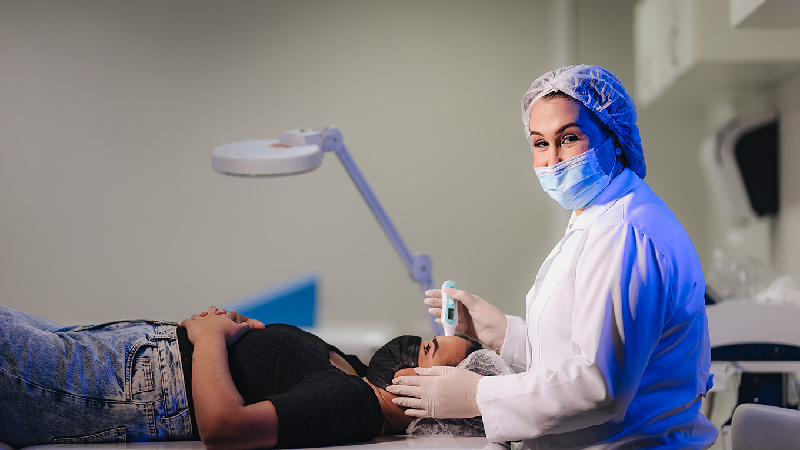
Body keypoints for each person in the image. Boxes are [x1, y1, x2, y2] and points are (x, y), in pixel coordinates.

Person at [389, 65, 719, 449]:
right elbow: (578, 351)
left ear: (614, 138)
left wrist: (479, 395)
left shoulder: (623, 233)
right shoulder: (597, 217)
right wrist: (501, 333)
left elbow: (599, 386)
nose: (554, 160)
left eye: (569, 138)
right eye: (540, 143)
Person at [0, 304, 481, 449]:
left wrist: (210, 339)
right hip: (127, 353)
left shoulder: (353, 404)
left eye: (428, 352)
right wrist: (239, 329)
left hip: (125, 383)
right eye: (427, 339)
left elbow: (226, 429)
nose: (416, 344)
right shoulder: (354, 374)